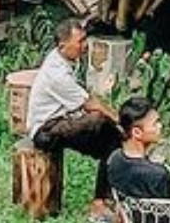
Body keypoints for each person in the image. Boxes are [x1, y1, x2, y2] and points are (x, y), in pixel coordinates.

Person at [27, 18, 123, 221]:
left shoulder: (63, 59)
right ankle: (99, 202)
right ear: (63, 46)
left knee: (109, 137)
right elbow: (90, 103)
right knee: (104, 126)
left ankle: (103, 194)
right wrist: (118, 118)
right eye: (80, 42)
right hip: (46, 131)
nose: (84, 45)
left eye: (84, 39)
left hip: (62, 120)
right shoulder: (57, 73)